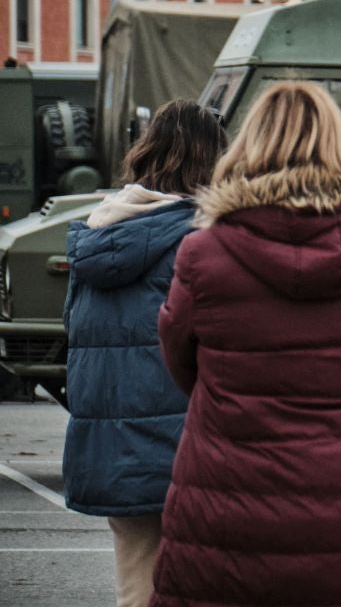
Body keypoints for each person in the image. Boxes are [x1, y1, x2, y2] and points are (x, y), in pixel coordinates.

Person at [148, 81, 341, 607]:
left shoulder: (202, 254)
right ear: (339, 150)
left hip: (233, 499)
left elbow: (182, 364)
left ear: (246, 151)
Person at [63, 99, 225, 607]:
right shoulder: (199, 241)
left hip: (112, 450)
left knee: (137, 587)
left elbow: (75, 331)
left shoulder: (97, 230)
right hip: (189, 449)